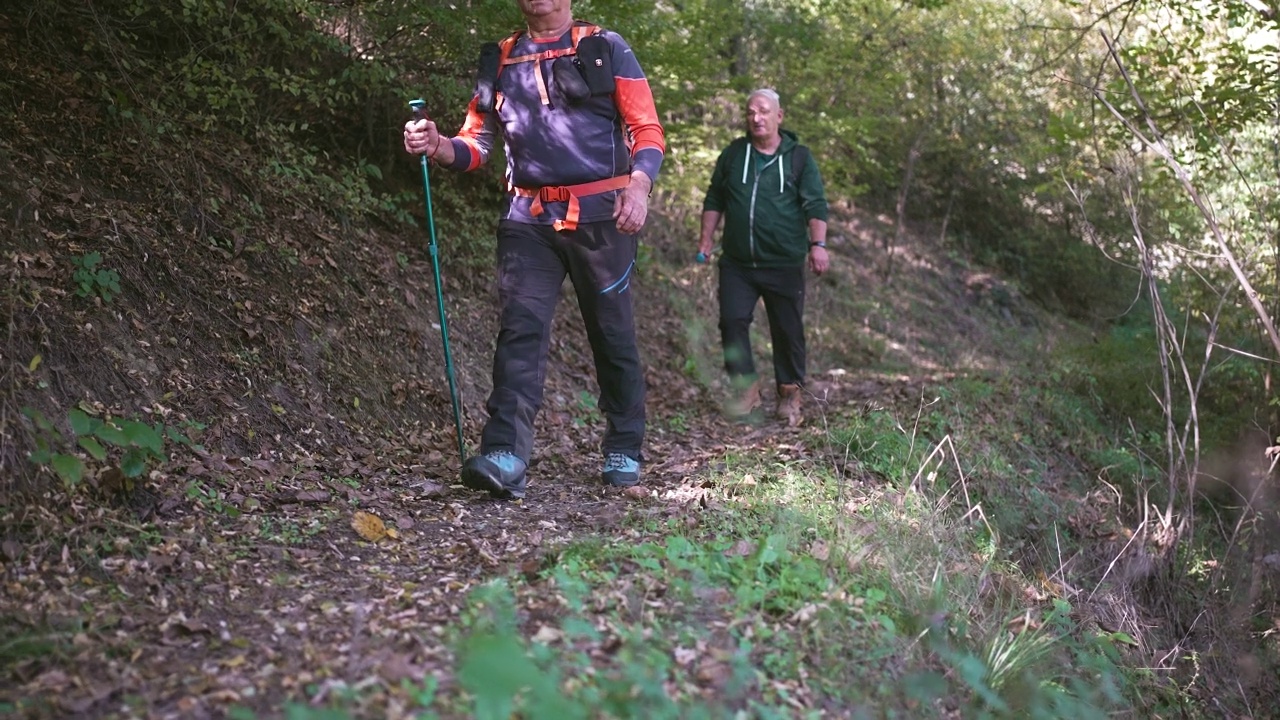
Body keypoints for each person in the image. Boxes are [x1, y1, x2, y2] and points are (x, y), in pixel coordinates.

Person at [403, 0, 664, 499]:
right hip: (527, 217)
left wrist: (639, 186)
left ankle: (624, 446)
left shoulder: (605, 45)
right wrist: (437, 144)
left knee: (612, 333)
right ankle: (506, 453)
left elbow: (646, 130)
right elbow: (476, 145)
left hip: (602, 217)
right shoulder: (499, 60)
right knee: (519, 330)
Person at [698, 88, 829, 427]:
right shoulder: (734, 154)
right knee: (731, 322)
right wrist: (706, 240)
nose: (756, 117)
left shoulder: (799, 157)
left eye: (764, 111)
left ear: (779, 116)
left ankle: (790, 394)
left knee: (787, 330)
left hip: (783, 262)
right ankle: (747, 390)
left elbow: (815, 204)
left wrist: (818, 245)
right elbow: (715, 197)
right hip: (738, 263)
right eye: (750, 112)